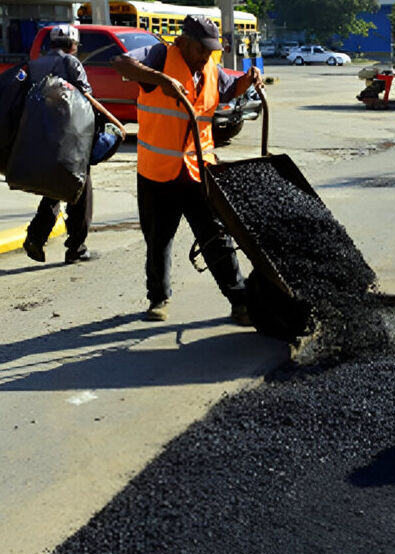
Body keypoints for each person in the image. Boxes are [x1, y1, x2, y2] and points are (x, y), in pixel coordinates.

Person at [111, 15, 261, 324]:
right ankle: (158, 298)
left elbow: (229, 88)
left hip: (198, 170)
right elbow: (121, 63)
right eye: (201, 49)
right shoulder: (160, 56)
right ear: (184, 42)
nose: (207, 55)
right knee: (158, 239)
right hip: (158, 173)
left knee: (216, 236)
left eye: (211, 50)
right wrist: (161, 80)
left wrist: (249, 79)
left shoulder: (209, 68)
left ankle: (240, 300)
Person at [23, 25, 95, 264]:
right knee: (79, 189)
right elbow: (86, 97)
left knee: (55, 187)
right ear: (72, 45)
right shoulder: (72, 64)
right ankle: (76, 247)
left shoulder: (35, 64)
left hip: (40, 136)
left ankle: (36, 236)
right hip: (70, 136)